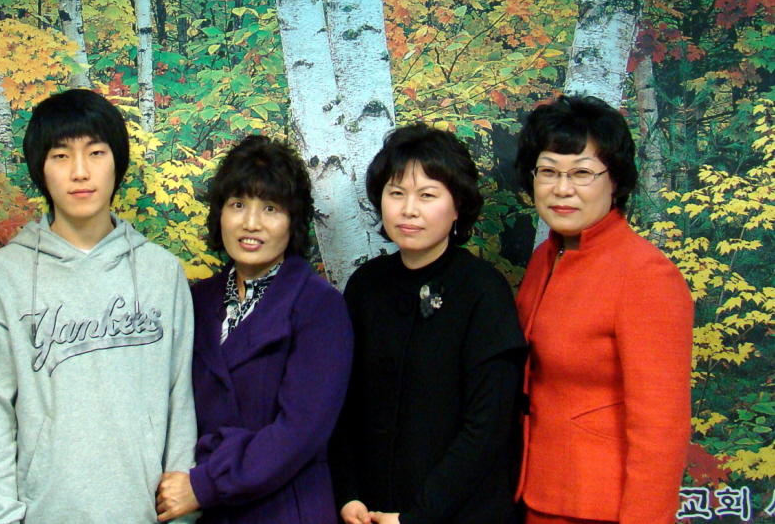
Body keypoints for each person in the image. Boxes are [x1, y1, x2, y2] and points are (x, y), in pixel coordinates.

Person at [0, 89, 196, 524]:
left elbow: (180, 397)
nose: (80, 172)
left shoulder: (161, 272)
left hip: (145, 513)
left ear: (117, 163)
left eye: (96, 152)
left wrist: (181, 510)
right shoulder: (5, 274)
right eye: (61, 156)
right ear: (40, 169)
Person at [330, 124, 526, 524]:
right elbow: (343, 403)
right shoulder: (365, 286)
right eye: (396, 193)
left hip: (457, 514)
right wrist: (347, 494)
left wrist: (417, 517)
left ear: (458, 206)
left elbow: (487, 428)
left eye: (428, 195)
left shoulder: (483, 291)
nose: (409, 210)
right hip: (368, 511)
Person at [514, 95, 693, 524]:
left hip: (601, 506)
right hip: (532, 493)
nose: (562, 189)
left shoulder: (646, 274)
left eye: (581, 173)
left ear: (615, 181)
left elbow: (661, 430)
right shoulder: (544, 258)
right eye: (548, 171)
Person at [155, 135, 353, 524]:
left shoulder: (320, 306)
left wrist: (205, 484)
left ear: (293, 221)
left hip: (286, 508)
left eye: (271, 208)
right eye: (238, 204)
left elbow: (299, 432)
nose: (251, 223)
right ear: (220, 213)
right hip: (208, 513)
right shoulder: (197, 300)